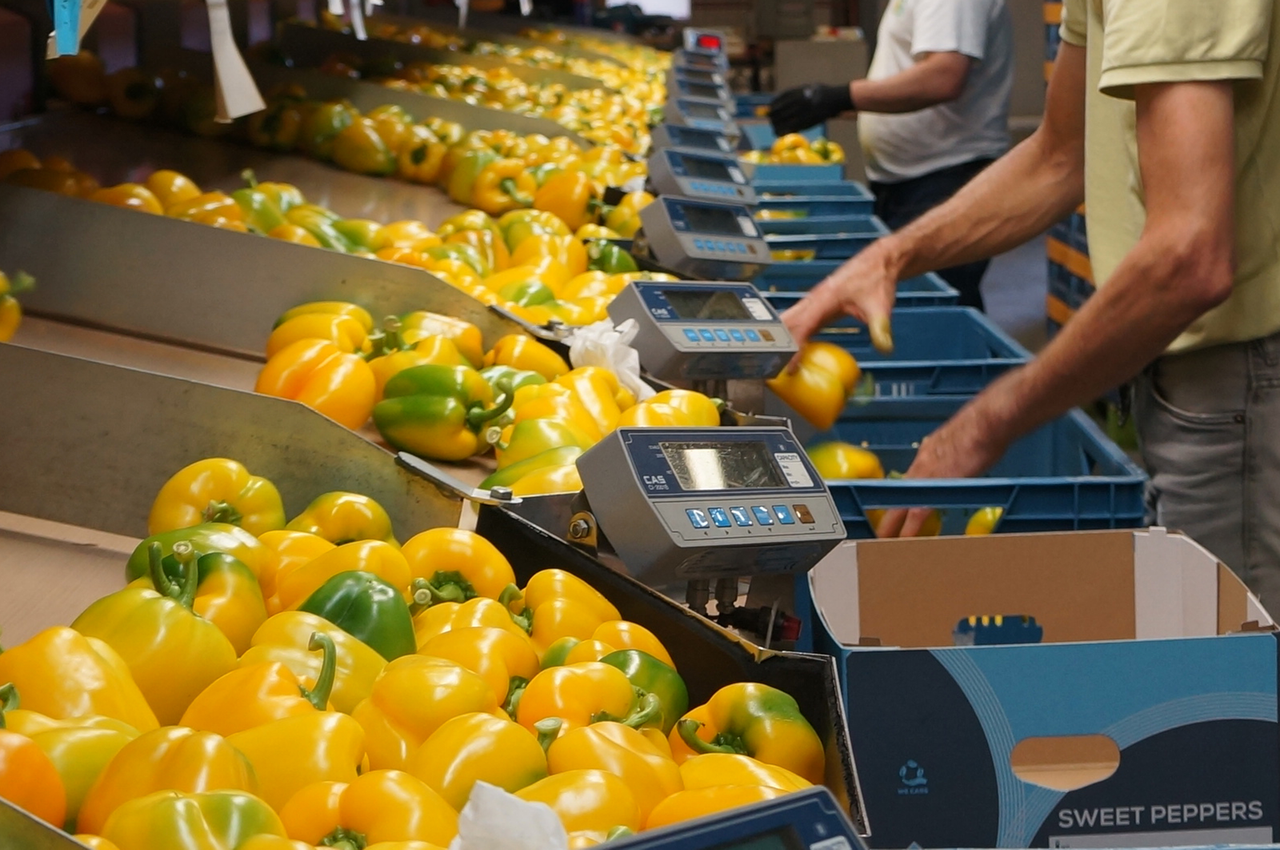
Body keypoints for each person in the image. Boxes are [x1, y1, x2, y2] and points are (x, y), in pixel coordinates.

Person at [781, 0, 1280, 608]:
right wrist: (885, 259)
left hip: (1243, 378)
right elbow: (1060, 156)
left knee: (1237, 665)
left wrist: (978, 428)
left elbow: (1188, 257)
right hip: (1180, 373)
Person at [767, 0, 1014, 310]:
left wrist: (840, 96)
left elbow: (944, 76)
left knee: (935, 312)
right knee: (913, 304)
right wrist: (836, 105)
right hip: (910, 181)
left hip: (943, 180)